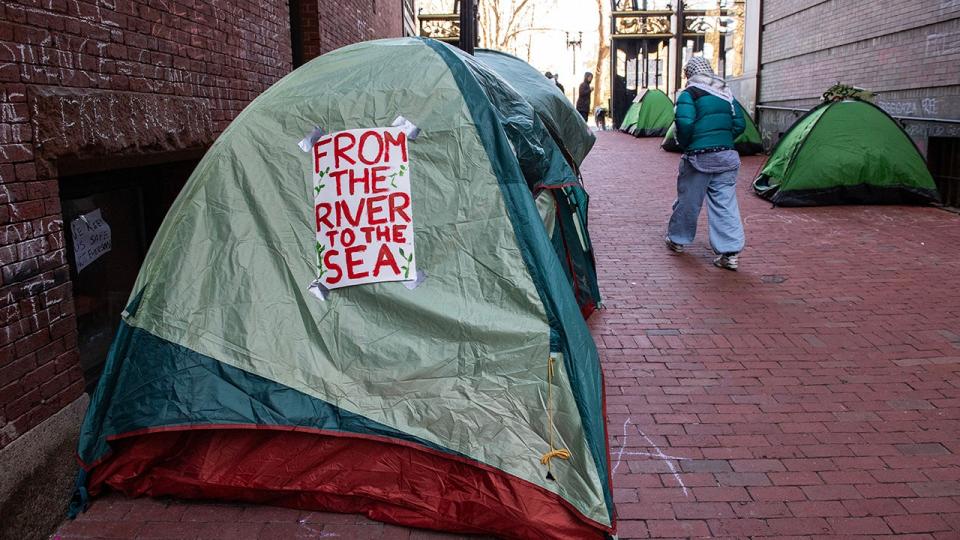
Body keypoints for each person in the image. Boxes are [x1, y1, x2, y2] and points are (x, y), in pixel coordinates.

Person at [664, 56, 746, 271]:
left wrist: (686, 142)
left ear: (689, 74)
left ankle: (678, 239)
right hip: (727, 156)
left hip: (699, 155)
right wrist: (723, 139)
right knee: (725, 203)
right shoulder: (725, 92)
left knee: (689, 200)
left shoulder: (689, 94)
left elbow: (684, 122)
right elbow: (739, 124)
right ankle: (730, 253)